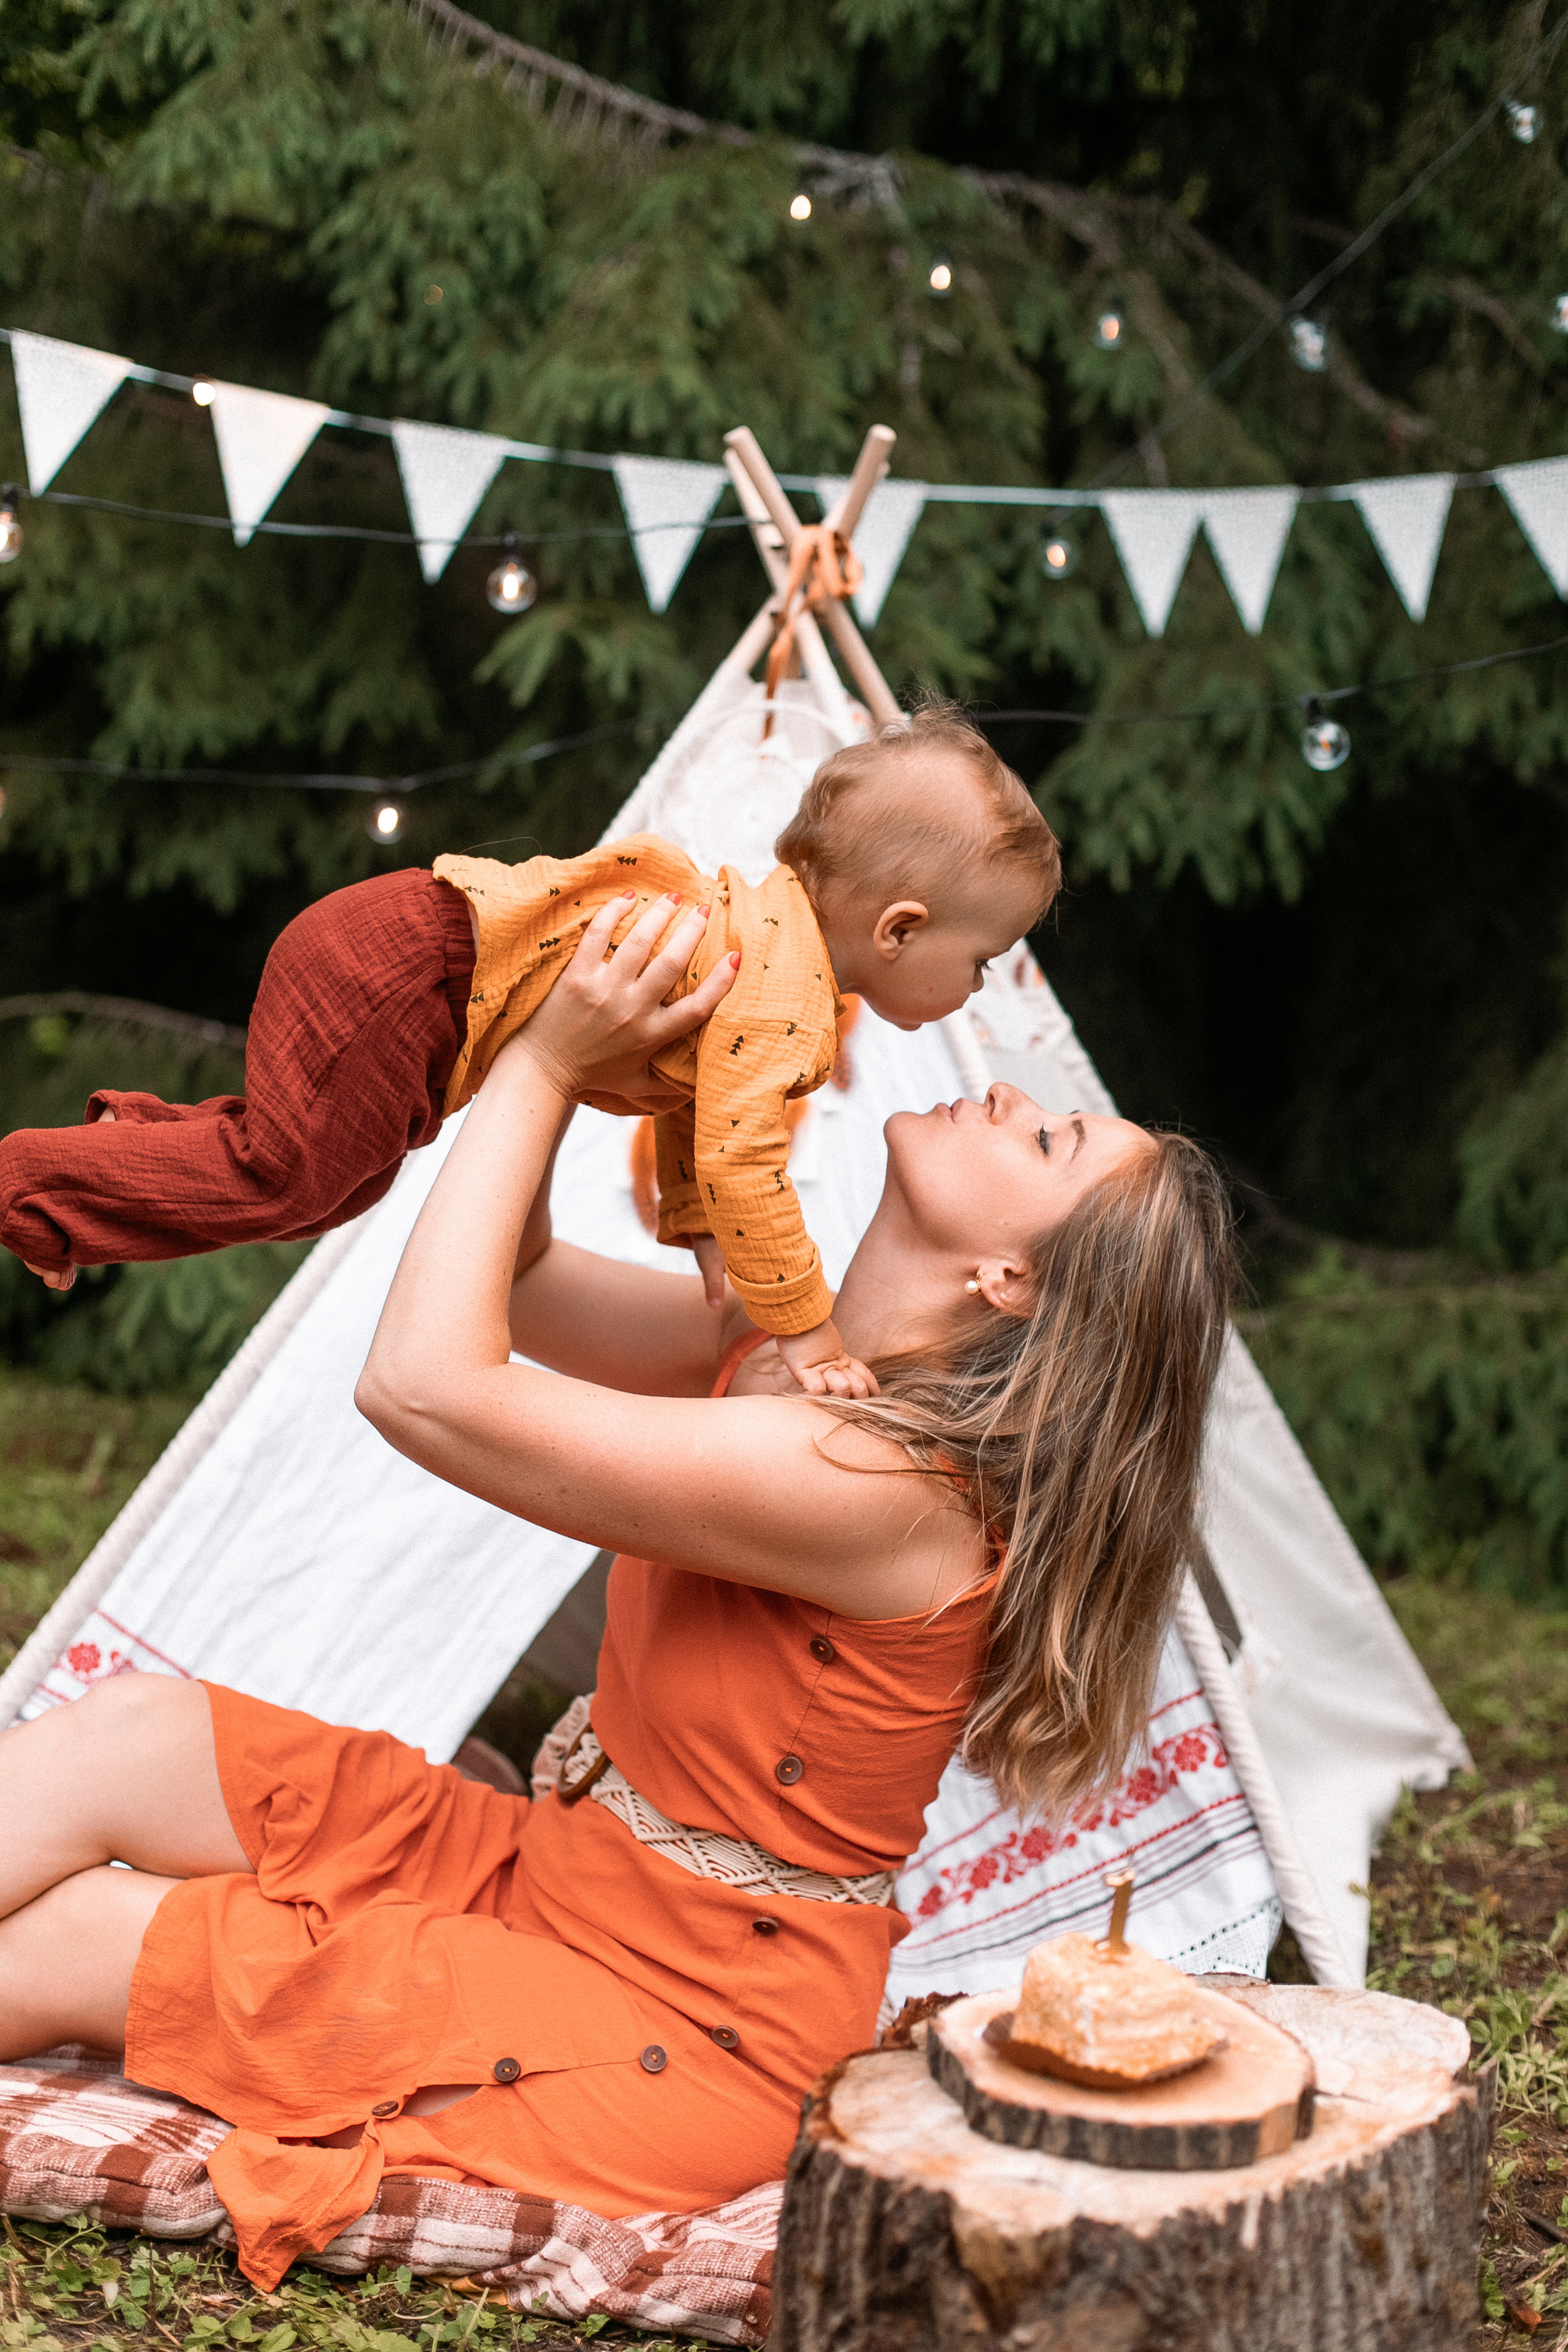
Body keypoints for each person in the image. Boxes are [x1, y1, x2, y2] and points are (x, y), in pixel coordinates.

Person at [0, 889, 1235, 2293]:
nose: (1007, 1094)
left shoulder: (881, 1488)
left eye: (1047, 1138)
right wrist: (552, 1041)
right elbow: (515, 1277)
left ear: (1010, 1277)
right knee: (137, 1731)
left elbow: (424, 1385)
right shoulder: (795, 1355)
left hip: (680, 2027)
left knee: (87, 1940)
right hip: (558, 1881)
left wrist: (536, 1072)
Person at [0, 706, 1059, 1398]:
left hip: (402, 955)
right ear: (902, 928)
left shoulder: (769, 950)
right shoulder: (789, 1004)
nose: (978, 986)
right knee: (284, 1182)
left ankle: (116, 1155)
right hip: (413, 978)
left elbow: (703, 1120)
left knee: (332, 1188)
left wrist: (699, 1228)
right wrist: (809, 1332)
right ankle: (26, 1186)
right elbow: (749, 1158)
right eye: (985, 958)